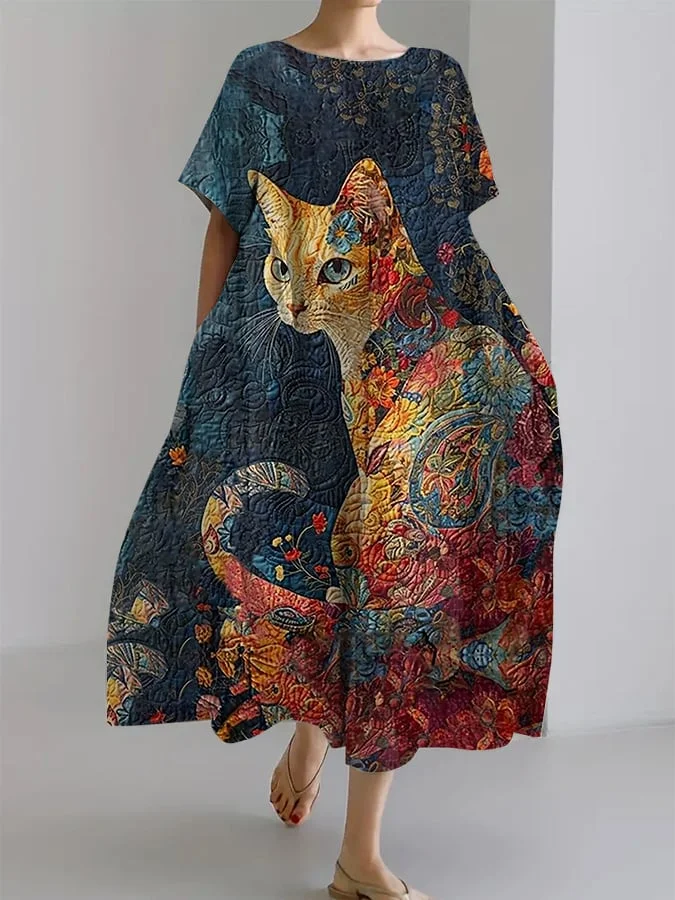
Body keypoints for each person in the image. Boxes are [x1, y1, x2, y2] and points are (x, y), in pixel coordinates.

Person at [106, 1, 564, 898]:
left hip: (408, 380)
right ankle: (313, 726)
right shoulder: (259, 73)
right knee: (316, 562)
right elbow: (227, 224)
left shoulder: (434, 80)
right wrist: (210, 366)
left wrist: (493, 372)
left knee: (395, 587)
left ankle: (360, 852)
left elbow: (444, 236)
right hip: (284, 373)